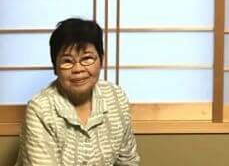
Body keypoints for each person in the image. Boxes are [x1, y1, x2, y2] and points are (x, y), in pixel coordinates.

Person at [15, 18, 140, 165]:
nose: (78, 69)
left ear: (102, 60)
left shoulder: (116, 97)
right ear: (55, 67)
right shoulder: (40, 109)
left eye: (87, 58)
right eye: (67, 61)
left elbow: (128, 161)